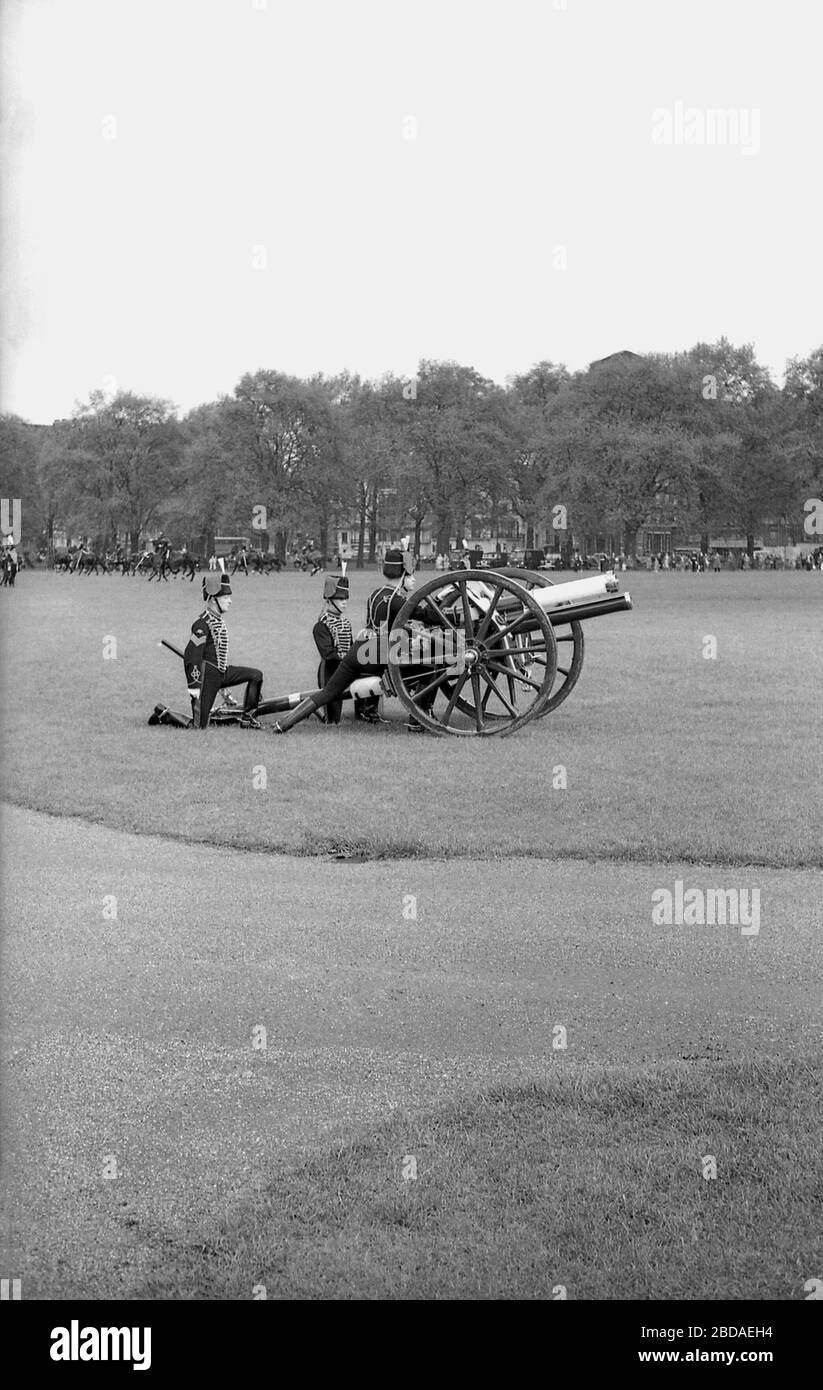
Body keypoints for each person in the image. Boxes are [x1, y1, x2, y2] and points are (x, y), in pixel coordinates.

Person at [272, 543, 440, 734]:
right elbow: (426, 615)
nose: (413, 579)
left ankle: (283, 724)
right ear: (402, 575)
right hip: (378, 654)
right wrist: (452, 615)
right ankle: (417, 719)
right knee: (429, 668)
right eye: (410, 575)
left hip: (359, 651)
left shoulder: (376, 594)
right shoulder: (397, 600)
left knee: (328, 693)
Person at [182, 569, 263, 728]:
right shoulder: (202, 624)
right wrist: (194, 685)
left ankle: (247, 719)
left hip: (222, 672)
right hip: (208, 677)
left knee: (256, 675)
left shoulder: (218, 620)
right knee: (199, 726)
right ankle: (164, 714)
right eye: (225, 597)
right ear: (213, 600)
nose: (230, 601)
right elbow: (192, 655)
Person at [312, 568, 384, 724]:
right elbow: (328, 655)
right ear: (330, 600)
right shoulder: (321, 625)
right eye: (340, 599)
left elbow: (351, 647)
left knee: (371, 677)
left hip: (348, 669)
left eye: (345, 599)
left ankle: (365, 713)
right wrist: (351, 659)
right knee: (332, 720)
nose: (344, 602)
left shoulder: (345, 623)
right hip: (331, 673)